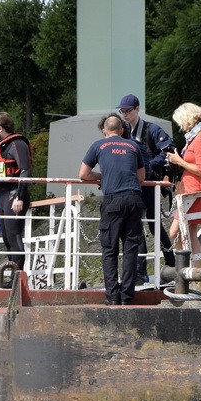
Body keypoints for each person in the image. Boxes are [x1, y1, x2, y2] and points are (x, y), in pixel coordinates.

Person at [79, 114, 146, 305]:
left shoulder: (98, 145)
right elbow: (141, 177)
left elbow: (83, 174)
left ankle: (113, 297)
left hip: (113, 201)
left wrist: (102, 176)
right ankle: (127, 296)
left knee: (109, 250)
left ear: (104, 130)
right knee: (130, 249)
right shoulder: (133, 146)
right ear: (122, 130)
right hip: (134, 199)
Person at [117, 94, 175, 282]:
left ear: (137, 109)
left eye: (127, 111)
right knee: (139, 225)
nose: (124, 114)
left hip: (148, 183)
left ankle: (171, 261)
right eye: (122, 111)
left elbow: (168, 149)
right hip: (133, 185)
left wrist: (149, 165)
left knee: (153, 224)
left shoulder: (151, 129)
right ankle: (140, 272)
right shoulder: (124, 131)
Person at [165, 102, 201, 262]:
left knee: (175, 232)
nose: (180, 126)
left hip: (195, 191)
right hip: (189, 190)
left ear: (188, 119)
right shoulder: (195, 137)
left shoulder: (200, 138)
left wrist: (179, 160)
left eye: (181, 121)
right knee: (191, 232)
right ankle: (195, 273)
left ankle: (185, 268)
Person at [0, 112, 32, 271]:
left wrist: (19, 196)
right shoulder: (0, 146)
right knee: (6, 237)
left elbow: (25, 170)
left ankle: (17, 277)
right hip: (3, 195)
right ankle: (13, 275)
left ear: (0, 129)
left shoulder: (17, 144)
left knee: (14, 236)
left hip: (14, 195)